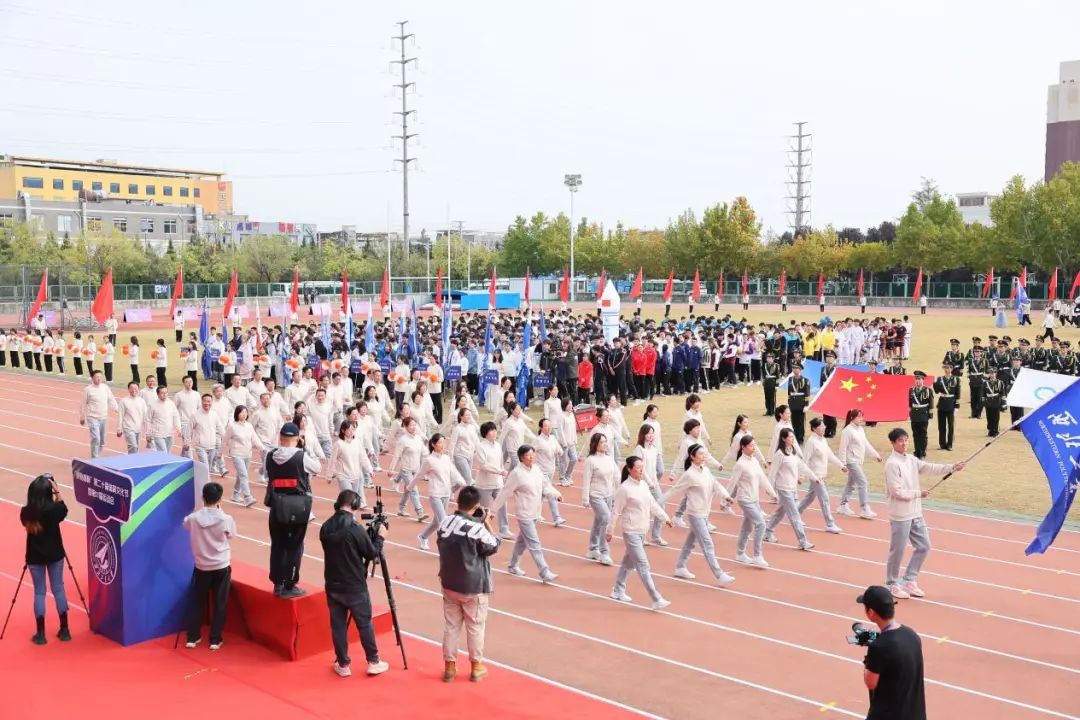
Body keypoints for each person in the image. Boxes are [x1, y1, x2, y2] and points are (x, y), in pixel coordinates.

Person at [882, 428, 964, 599]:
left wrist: (952, 467)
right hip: (900, 514)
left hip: (915, 512)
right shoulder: (891, 464)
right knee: (898, 550)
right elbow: (897, 492)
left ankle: (909, 579)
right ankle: (891, 583)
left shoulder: (911, 459)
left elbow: (929, 468)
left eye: (906, 440)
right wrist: (919, 494)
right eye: (900, 441)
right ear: (893, 443)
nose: (904, 443)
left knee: (924, 545)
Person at [319, 489, 390, 678]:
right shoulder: (355, 528)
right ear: (355, 505)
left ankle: (343, 664)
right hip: (354, 585)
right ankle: (373, 661)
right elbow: (372, 553)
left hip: (333, 583)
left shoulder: (325, 527)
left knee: (338, 626)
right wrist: (380, 537)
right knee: (364, 624)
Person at [436, 485, 501, 683]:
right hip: (473, 586)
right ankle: (476, 666)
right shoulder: (476, 529)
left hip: (449, 582)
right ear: (477, 506)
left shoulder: (445, 522)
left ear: (458, 502)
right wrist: (487, 523)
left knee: (451, 626)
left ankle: (449, 666)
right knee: (475, 626)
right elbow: (493, 546)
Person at [664, 443, 737, 582]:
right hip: (695, 514)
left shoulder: (706, 471)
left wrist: (726, 496)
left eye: (705, 454)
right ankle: (719, 575)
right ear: (692, 457)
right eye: (701, 454)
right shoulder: (689, 475)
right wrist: (658, 503)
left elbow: (716, 485)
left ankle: (680, 567)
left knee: (690, 542)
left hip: (704, 513)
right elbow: (674, 490)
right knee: (707, 543)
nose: (704, 456)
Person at [606, 456, 672, 609]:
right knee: (643, 564)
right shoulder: (624, 489)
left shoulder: (643, 485)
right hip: (631, 532)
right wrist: (610, 531)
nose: (641, 471)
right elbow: (615, 511)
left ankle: (617, 590)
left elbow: (652, 504)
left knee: (628, 563)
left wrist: (665, 518)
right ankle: (656, 598)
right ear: (629, 469)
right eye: (638, 468)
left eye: (643, 468)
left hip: (642, 531)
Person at [490, 445, 561, 583]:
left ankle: (512, 565)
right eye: (528, 455)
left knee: (521, 542)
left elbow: (546, 486)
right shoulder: (517, 473)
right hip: (524, 514)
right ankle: (544, 572)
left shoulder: (537, 469)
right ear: (521, 458)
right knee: (534, 543)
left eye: (533, 454)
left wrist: (556, 494)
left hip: (535, 512)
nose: (532, 457)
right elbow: (505, 492)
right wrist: (493, 510)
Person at [265, 422, 320, 598]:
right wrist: (304, 449)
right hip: (297, 508)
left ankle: (277, 584)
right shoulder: (301, 456)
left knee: (277, 545)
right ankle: (290, 585)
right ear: (297, 439)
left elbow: (267, 474)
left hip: (276, 506)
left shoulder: (270, 455)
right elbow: (317, 468)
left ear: (280, 438)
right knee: (295, 546)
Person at [857, 586, 926, 720]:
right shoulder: (911, 634)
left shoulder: (879, 647)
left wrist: (868, 660)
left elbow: (870, 682)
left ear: (871, 612)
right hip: (915, 713)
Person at [182, 481, 236, 651]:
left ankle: (193, 637)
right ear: (219, 499)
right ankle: (215, 639)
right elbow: (232, 535)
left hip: (202, 566)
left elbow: (185, 525)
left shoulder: (193, 518)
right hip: (221, 566)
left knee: (198, 601)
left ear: (203, 498)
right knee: (220, 603)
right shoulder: (226, 519)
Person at [20, 474, 71, 645]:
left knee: (39, 592)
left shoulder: (26, 512)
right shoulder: (54, 510)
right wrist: (57, 491)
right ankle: (65, 630)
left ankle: (40, 633)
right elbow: (64, 509)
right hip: (55, 554)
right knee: (58, 589)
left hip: (35, 557)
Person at [764, 428, 820, 550]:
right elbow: (772, 474)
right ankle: (802, 541)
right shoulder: (779, 454)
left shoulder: (793, 452)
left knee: (780, 512)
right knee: (795, 515)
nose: (792, 438)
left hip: (792, 488)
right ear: (784, 438)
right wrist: (770, 491)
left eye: (793, 436)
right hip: (783, 489)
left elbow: (802, 466)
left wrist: (814, 477)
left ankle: (767, 531)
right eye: (790, 437)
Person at [727, 435, 777, 568]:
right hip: (745, 499)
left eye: (754, 445)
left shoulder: (754, 461)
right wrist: (724, 499)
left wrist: (773, 493)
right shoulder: (740, 464)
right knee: (761, 524)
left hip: (754, 499)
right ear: (743, 447)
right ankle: (757, 556)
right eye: (751, 445)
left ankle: (740, 553)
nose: (753, 447)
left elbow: (762, 478)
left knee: (747, 527)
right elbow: (732, 483)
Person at [411, 433, 468, 550]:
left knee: (437, 522)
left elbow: (455, 473)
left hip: (446, 494)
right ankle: (448, 548)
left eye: (444, 442)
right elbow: (419, 475)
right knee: (443, 521)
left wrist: (463, 483)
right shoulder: (429, 460)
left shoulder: (446, 458)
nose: (443, 445)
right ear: (433, 444)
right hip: (435, 494)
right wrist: (409, 487)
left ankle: (423, 536)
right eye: (440, 443)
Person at [837, 409, 882, 519]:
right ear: (852, 418)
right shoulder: (847, 431)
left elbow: (866, 444)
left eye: (862, 416)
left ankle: (843, 505)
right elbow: (842, 448)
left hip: (858, 460)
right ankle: (864, 508)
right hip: (851, 461)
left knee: (850, 484)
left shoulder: (860, 429)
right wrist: (842, 464)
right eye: (859, 416)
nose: (861, 419)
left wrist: (876, 455)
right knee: (863, 482)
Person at [581, 433, 618, 565]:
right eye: (602, 442)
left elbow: (617, 476)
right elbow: (586, 480)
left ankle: (592, 549)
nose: (605, 444)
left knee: (599, 521)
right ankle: (604, 552)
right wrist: (585, 499)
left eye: (605, 441)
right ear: (595, 444)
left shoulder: (609, 458)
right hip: (595, 495)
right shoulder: (590, 460)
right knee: (606, 519)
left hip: (609, 495)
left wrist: (619, 492)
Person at [79, 369, 117, 458]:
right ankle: (94, 458)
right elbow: (83, 403)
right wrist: (82, 416)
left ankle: (98, 455)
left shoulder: (105, 388)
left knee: (102, 440)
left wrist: (117, 409)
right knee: (96, 438)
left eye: (100, 377)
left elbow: (111, 399)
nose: (99, 379)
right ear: (92, 378)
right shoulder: (88, 389)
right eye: (97, 377)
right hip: (92, 417)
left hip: (103, 417)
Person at [932, 361, 960, 451]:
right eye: (945, 368)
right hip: (942, 404)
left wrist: (956, 406)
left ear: (952, 369)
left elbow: (957, 393)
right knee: (941, 426)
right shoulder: (940, 379)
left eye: (948, 368)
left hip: (951, 404)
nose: (946, 370)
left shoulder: (956, 379)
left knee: (951, 426)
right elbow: (937, 391)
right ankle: (942, 444)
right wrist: (935, 384)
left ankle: (950, 444)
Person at [907, 371, 933, 459]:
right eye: (916, 379)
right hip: (914, 414)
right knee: (915, 434)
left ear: (923, 380)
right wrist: (909, 415)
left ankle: (922, 451)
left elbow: (931, 404)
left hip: (923, 414)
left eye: (919, 379)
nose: (917, 381)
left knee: (923, 434)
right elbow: (910, 404)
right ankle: (917, 450)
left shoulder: (928, 390)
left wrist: (930, 415)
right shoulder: (911, 390)